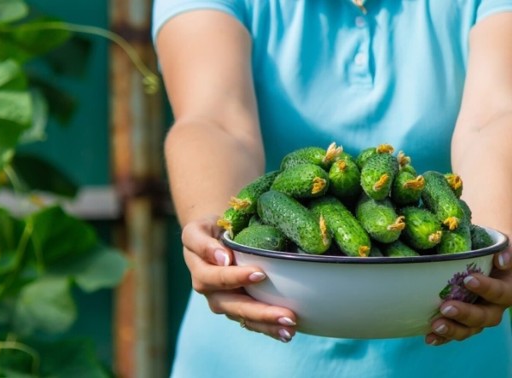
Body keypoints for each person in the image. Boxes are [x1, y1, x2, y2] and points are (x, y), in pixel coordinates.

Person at [151, 1, 512, 377]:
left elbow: (496, 115)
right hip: (251, 346)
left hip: (451, 344)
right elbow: (215, 119)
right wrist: (219, 237)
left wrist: (491, 250)